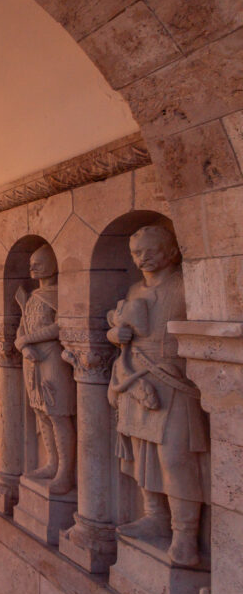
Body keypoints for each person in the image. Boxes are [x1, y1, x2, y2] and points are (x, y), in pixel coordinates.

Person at [107, 225, 208, 567]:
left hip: (174, 380)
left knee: (176, 459)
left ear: (172, 251)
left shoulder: (185, 285)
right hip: (136, 379)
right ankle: (155, 516)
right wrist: (114, 333)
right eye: (136, 253)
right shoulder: (135, 288)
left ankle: (185, 535)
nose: (142, 258)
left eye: (151, 250)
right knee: (142, 453)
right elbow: (120, 329)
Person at [15, 245, 76, 494]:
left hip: (52, 360)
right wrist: (22, 345)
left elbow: (60, 327)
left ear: (54, 264)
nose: (32, 267)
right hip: (32, 361)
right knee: (41, 413)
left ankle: (65, 471)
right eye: (31, 262)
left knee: (58, 414)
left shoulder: (61, 294)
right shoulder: (32, 296)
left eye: (38, 262)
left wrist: (27, 341)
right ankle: (51, 463)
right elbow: (22, 326)